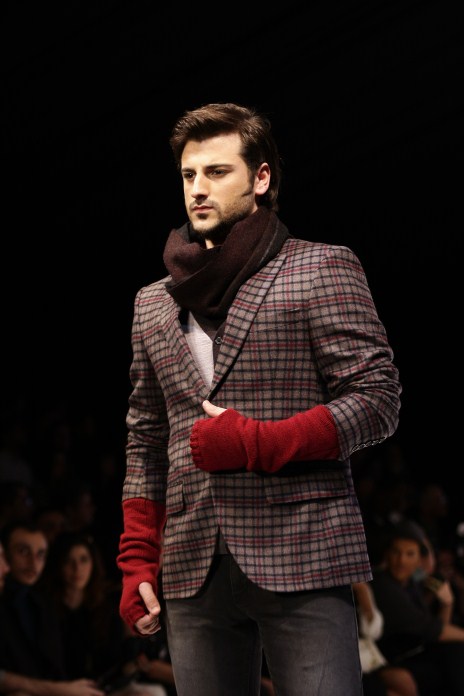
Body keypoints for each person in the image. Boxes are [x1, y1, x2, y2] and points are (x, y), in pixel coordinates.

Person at [116, 101, 402, 696]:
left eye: (217, 172)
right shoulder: (154, 302)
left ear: (261, 177)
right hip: (192, 561)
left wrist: (259, 443)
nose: (198, 188)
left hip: (303, 547)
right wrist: (138, 555)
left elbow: (377, 399)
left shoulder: (319, 267)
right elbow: (146, 435)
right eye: (189, 174)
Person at [40, 530, 170, 696]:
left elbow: (124, 657)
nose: (77, 569)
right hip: (63, 687)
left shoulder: (107, 604)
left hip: (105, 685)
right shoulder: (46, 607)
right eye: (68, 561)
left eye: (83, 560)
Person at [0, 524, 105, 695]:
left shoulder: (42, 603)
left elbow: (56, 668)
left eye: (40, 554)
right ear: (5, 554)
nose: (33, 563)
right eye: (23, 551)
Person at [370, 520, 464, 696]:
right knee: (455, 653)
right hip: (390, 662)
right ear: (387, 554)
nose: (401, 560)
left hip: (416, 656)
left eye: (410, 554)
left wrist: (447, 603)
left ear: (418, 559)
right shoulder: (383, 585)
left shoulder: (412, 582)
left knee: (453, 652)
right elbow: (431, 630)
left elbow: (436, 633)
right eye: (396, 552)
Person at [353, 581, 418, 696]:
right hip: (350, 666)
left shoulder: (360, 587)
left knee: (404, 679)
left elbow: (374, 632)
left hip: (371, 660)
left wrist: (362, 591)